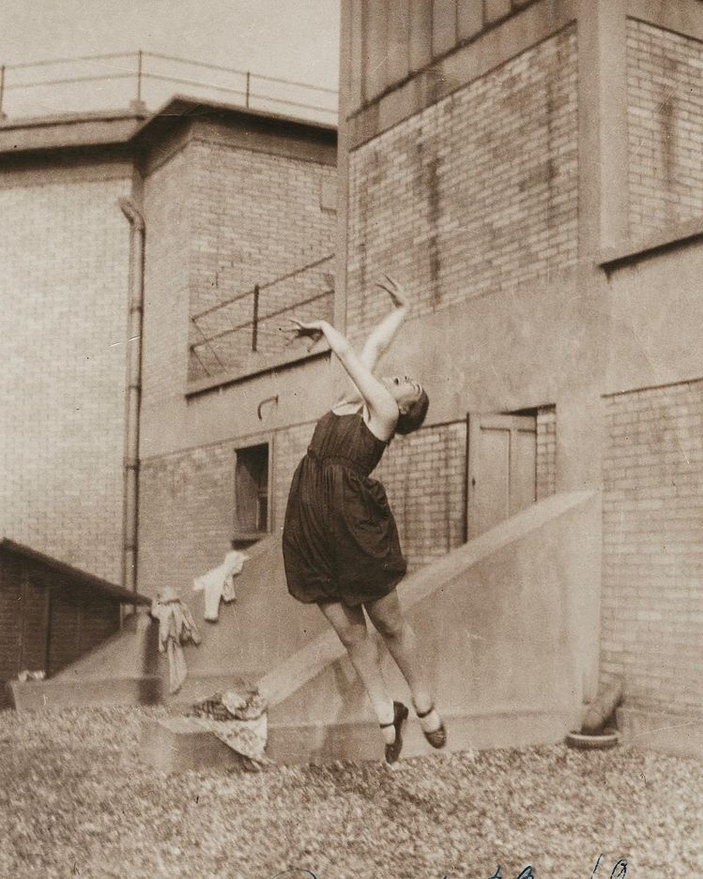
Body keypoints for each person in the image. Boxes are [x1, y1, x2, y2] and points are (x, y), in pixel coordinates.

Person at [281, 275, 446, 764]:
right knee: (349, 631)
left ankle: (424, 703)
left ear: (405, 408)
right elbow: (372, 347)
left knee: (388, 621)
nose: (398, 378)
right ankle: (384, 712)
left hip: (352, 520)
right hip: (311, 514)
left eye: (406, 386)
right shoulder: (352, 400)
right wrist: (403, 306)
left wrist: (326, 326)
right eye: (400, 377)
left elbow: (353, 353)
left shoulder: (383, 415)